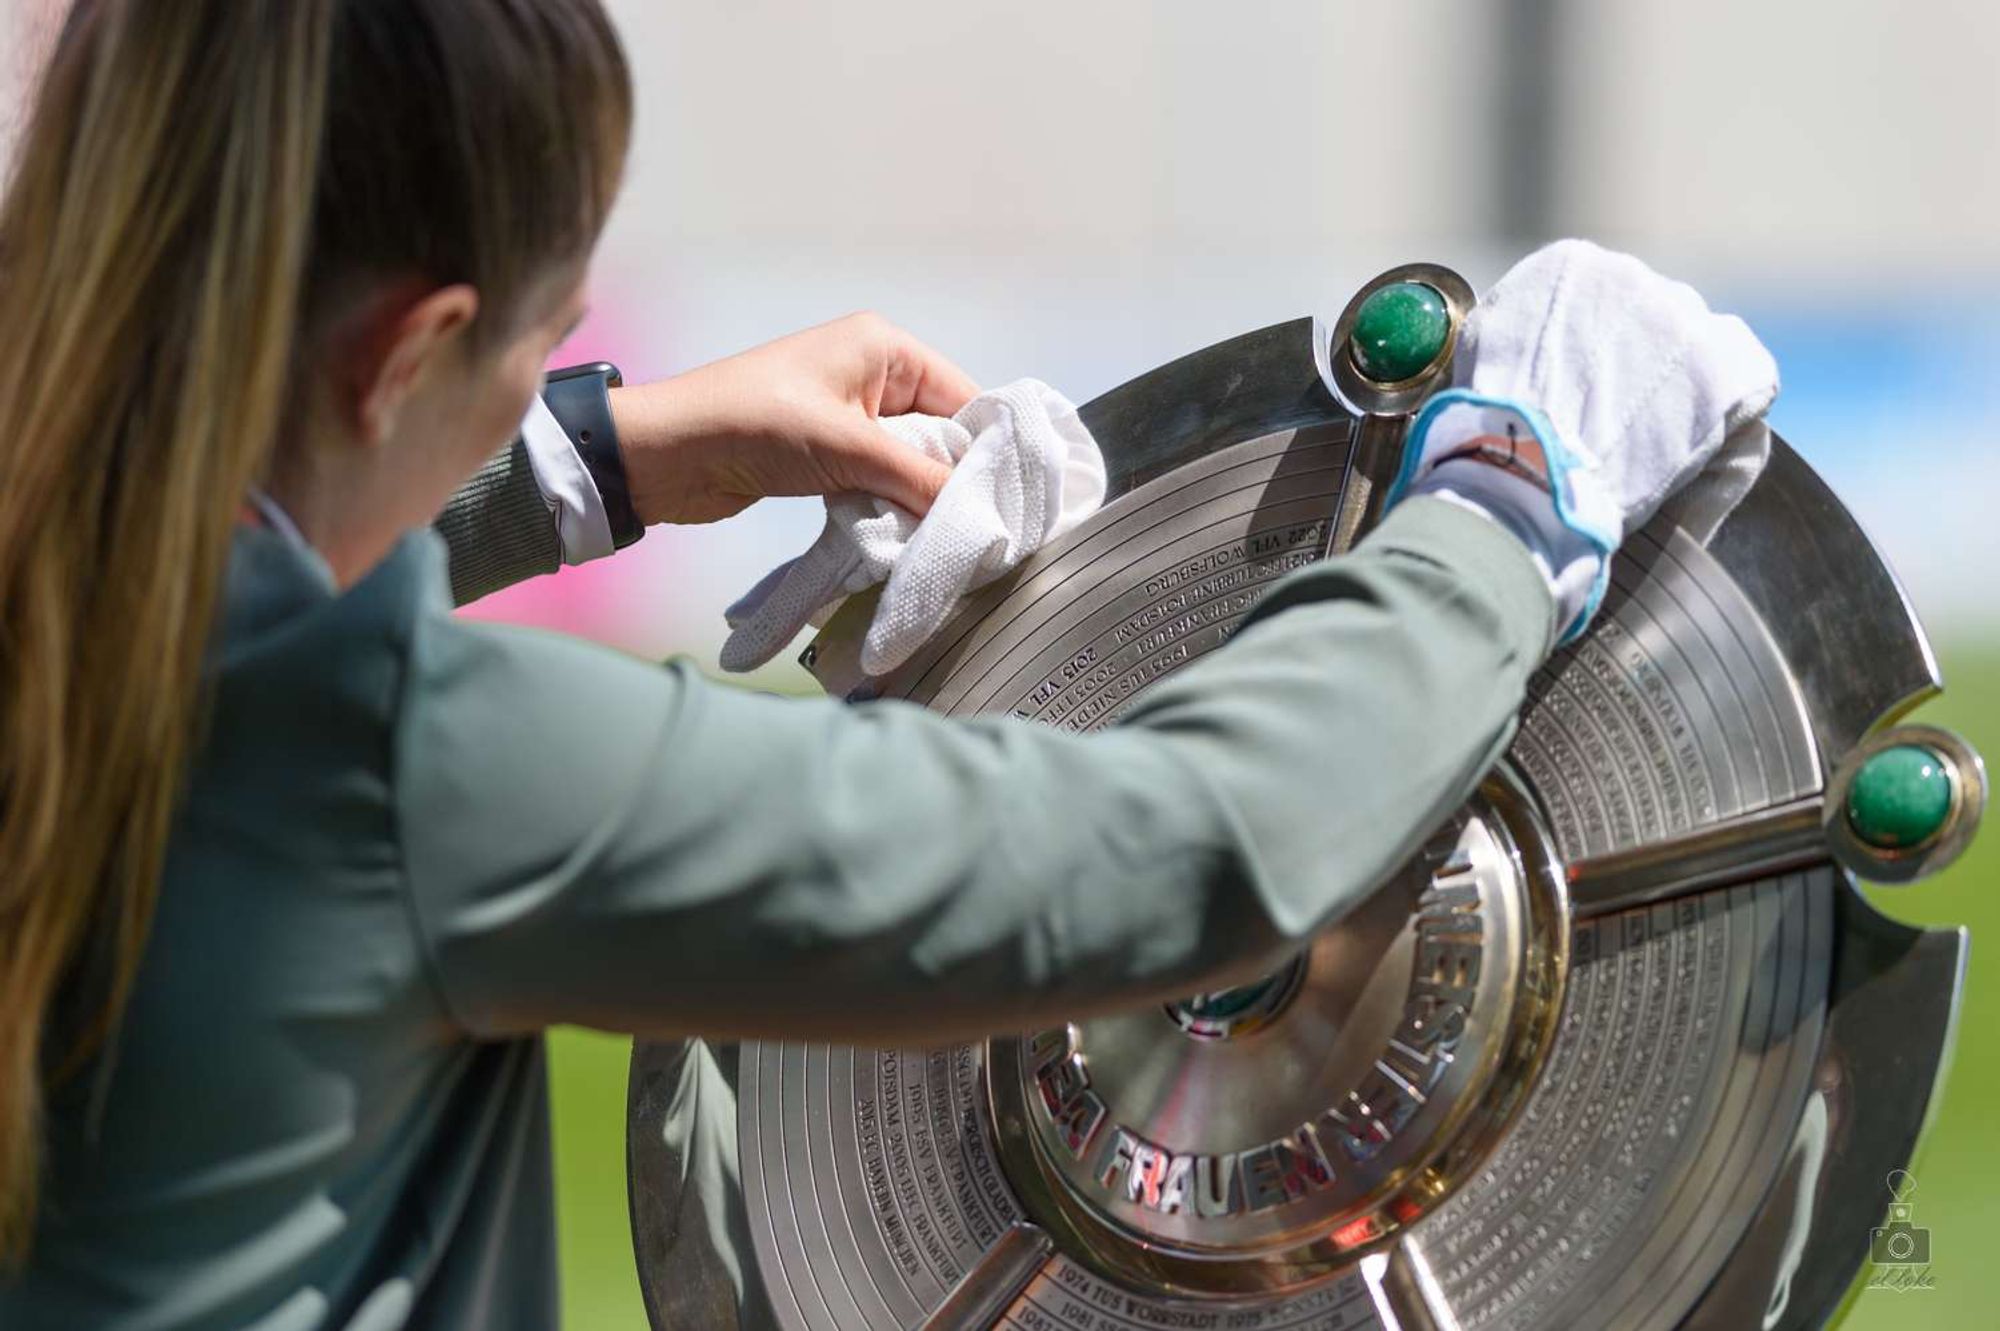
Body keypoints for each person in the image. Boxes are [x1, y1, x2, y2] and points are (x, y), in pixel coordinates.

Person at [0, 3, 1774, 1329]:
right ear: (410, 354)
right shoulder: (400, 769)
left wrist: (581, 462)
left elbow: (157, 550)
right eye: (535, 346)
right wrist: (1510, 495)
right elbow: (1174, 854)